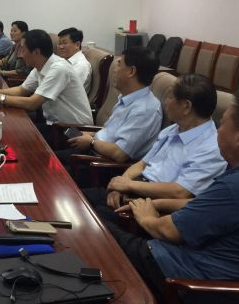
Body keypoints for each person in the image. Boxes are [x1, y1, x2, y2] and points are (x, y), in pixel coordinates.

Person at [107, 91, 239, 304]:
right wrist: (157, 203)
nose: (217, 131)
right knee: (105, 221)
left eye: (222, 124)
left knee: (96, 235)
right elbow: (204, 207)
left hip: (188, 294)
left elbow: (168, 231)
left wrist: (147, 217)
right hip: (192, 276)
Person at [83, 74, 227, 224]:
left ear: (186, 106)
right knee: (79, 199)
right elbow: (142, 164)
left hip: (154, 206)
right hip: (135, 188)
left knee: (90, 220)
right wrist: (121, 186)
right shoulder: (173, 129)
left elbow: (180, 192)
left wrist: (130, 185)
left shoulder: (212, 147)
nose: (165, 102)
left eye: (170, 97)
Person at [56, 46, 162, 170]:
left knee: (49, 170)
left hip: (103, 166)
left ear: (131, 71)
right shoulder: (127, 97)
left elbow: (119, 153)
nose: (114, 71)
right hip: (94, 150)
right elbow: (111, 132)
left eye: (119, 64)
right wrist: (90, 135)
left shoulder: (145, 110)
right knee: (47, 157)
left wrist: (91, 142)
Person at [0, 29, 93, 126]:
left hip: (73, 130)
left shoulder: (59, 68)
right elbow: (21, 90)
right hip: (51, 122)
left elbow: (32, 103)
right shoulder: (40, 65)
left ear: (36, 52)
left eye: (23, 50)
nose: (20, 55)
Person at [56, 27, 91, 93]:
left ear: (77, 45)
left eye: (64, 43)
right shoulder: (64, 60)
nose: (61, 47)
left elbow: (67, 91)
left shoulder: (81, 66)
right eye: (59, 43)